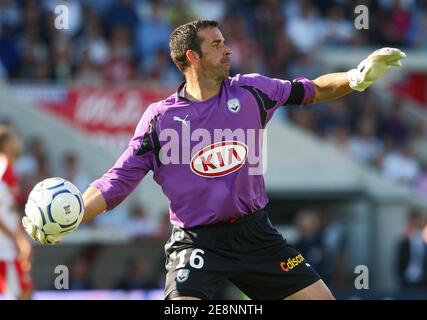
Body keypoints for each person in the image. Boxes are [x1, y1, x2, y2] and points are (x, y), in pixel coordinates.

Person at [23, 20, 406, 300]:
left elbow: (310, 90)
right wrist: (74, 218)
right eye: (218, 44)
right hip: (197, 242)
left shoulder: (253, 90)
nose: (229, 50)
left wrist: (356, 77)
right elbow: (116, 182)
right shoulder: (161, 119)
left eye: (226, 42)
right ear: (193, 56)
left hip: (257, 235)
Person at [0, 125, 33, 299]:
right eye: (15, 138)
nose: (19, 141)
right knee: (24, 294)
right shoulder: (3, 171)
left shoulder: (11, 171)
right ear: (6, 145)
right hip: (5, 249)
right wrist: (18, 240)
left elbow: (11, 211)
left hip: (10, 246)